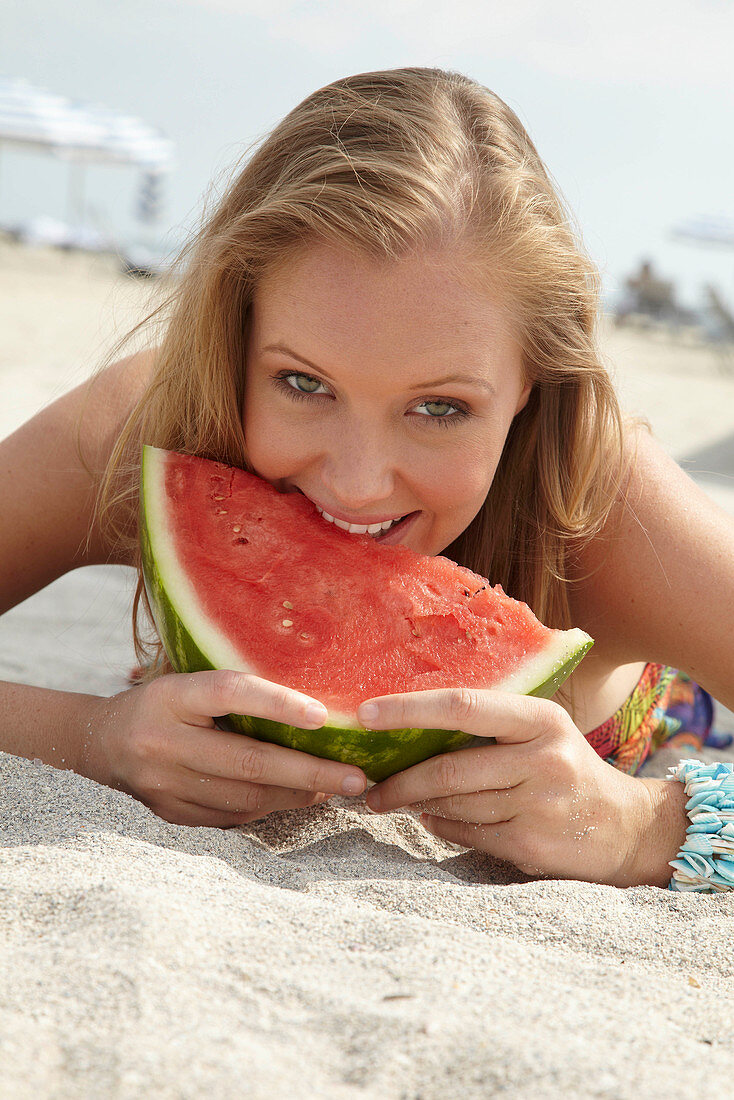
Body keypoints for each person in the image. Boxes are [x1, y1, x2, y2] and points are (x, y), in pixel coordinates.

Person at [2, 68, 732, 892]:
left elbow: (647, 820)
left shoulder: (602, 506)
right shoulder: (141, 429)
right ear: (234, 341)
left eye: (440, 407)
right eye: (303, 384)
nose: (355, 483)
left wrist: (641, 824)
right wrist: (90, 735)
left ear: (533, 384)